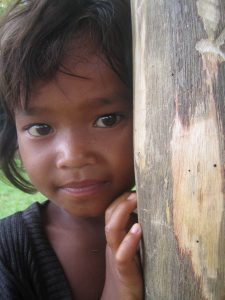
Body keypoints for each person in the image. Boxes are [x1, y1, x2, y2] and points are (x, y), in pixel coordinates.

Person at [0, 0, 143, 299]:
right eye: (40, 128)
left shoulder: (193, 223)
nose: (73, 156)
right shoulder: (8, 255)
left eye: (107, 120)